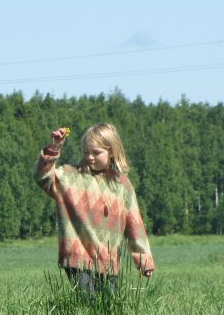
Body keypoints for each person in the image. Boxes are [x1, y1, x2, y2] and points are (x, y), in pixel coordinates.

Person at [34, 122, 154, 296]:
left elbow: (135, 225)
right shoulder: (70, 177)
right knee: (87, 302)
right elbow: (42, 177)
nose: (89, 157)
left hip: (109, 260)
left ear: (112, 151)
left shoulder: (122, 185)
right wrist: (54, 149)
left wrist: (144, 260)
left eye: (96, 153)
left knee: (108, 307)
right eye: (86, 152)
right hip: (77, 257)